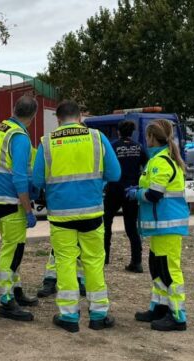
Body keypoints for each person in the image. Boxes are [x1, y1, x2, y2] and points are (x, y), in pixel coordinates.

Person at [32, 101, 121, 332]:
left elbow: (37, 181)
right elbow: (115, 173)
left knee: (65, 263)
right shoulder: (97, 138)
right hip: (91, 211)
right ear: (80, 117)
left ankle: (69, 317)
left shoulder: (47, 142)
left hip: (61, 216)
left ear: (58, 119)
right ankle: (99, 315)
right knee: (93, 262)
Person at [126, 119, 191, 332]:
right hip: (160, 226)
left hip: (167, 226)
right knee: (157, 267)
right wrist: (138, 187)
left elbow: (154, 194)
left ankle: (178, 315)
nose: (145, 140)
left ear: (152, 138)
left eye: (147, 137)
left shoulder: (162, 162)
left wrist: (135, 193)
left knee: (168, 270)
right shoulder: (158, 161)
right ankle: (160, 307)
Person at [0, 95, 40, 322]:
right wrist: (28, 210)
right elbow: (19, 179)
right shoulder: (19, 137)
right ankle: (6, 301)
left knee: (13, 247)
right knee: (12, 250)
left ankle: (16, 291)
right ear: (34, 116)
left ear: (14, 109)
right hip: (10, 200)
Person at [104, 120, 148, 273]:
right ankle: (136, 262)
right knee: (131, 228)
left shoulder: (113, 146)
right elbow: (147, 165)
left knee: (106, 223)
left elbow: (106, 165)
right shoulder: (139, 147)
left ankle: (104, 257)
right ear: (132, 133)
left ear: (118, 131)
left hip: (114, 190)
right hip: (132, 191)